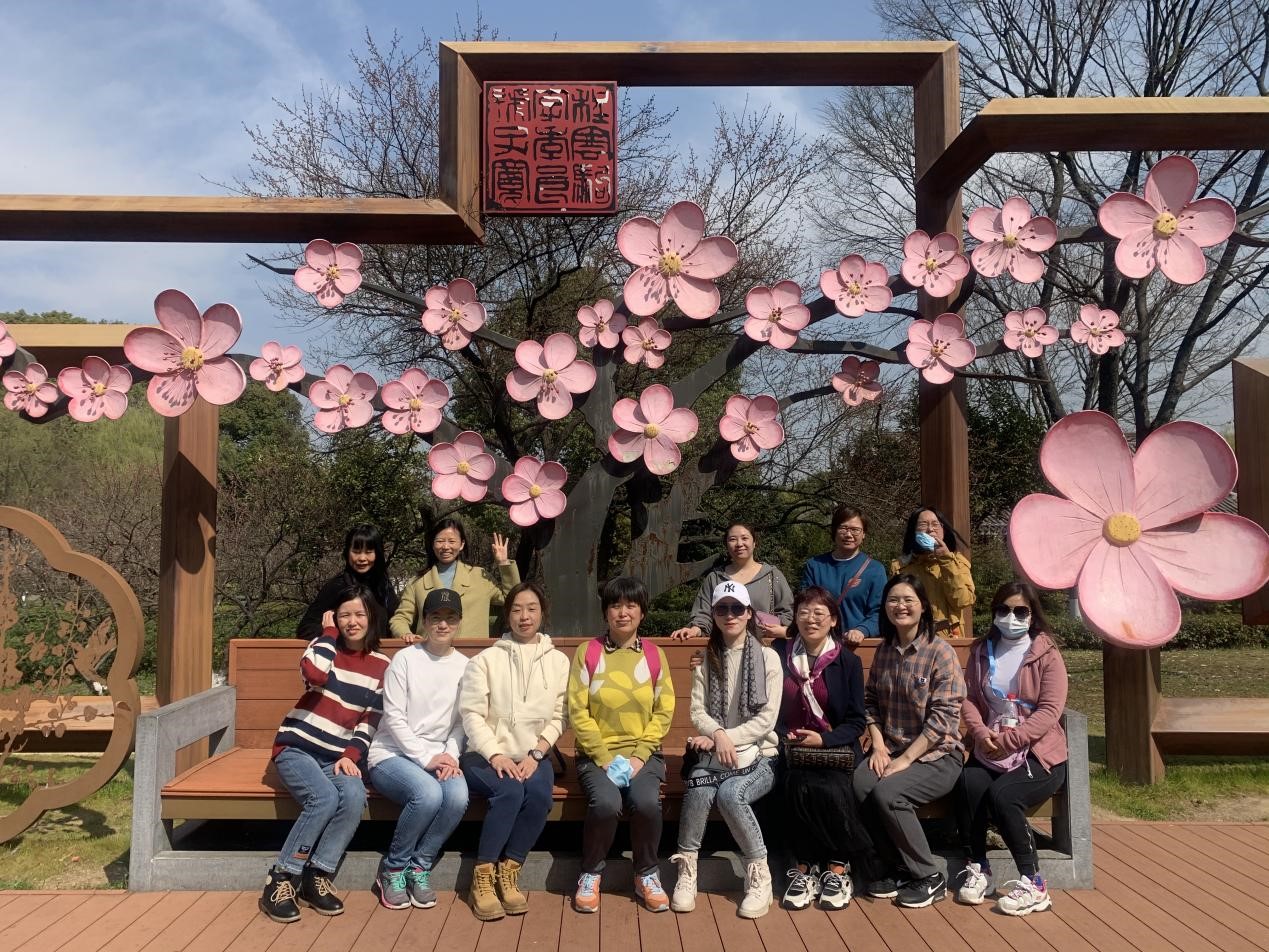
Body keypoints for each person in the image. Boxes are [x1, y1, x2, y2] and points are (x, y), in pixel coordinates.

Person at [260, 583, 390, 924]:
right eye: (344, 615)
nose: (352, 622)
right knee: (324, 798)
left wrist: (351, 754)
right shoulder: (321, 646)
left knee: (354, 795)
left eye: (360, 614)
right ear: (334, 618)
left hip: (336, 757)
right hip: (297, 747)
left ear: (372, 617)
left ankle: (316, 875)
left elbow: (370, 719)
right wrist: (328, 633)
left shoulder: (382, 665)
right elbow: (315, 675)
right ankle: (281, 877)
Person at [955, 581, 1068, 917]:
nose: (1011, 617)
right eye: (1003, 610)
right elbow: (969, 699)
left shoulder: (1046, 653)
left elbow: (1050, 710)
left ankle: (1034, 883)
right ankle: (979, 867)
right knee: (969, 784)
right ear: (994, 613)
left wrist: (1010, 741)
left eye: (1020, 611)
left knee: (1004, 796)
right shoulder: (981, 650)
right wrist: (980, 733)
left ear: (1032, 615)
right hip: (990, 745)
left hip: (1038, 753)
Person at [458, 582, 570, 921]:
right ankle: (483, 876)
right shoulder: (485, 660)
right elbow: (471, 714)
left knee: (538, 796)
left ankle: (509, 870)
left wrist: (537, 754)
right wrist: (495, 754)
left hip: (533, 755)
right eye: (517, 609)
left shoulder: (558, 661)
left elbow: (561, 714)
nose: (525, 616)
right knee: (509, 791)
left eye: (532, 608)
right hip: (484, 755)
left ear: (542, 613)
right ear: (507, 615)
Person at [670, 581, 782, 919]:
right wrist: (718, 735)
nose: (730, 615)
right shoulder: (707, 658)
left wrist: (724, 737)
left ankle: (759, 875)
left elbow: (766, 719)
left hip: (761, 757)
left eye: (737, 608)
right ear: (714, 615)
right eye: (722, 608)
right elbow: (697, 711)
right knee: (698, 786)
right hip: (716, 756)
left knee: (731, 794)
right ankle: (687, 869)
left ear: (749, 614)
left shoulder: (768, 658)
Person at [854, 574, 966, 908]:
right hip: (892, 749)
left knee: (889, 793)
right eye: (893, 600)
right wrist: (878, 745)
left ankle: (929, 875)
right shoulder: (885, 650)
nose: (900, 606)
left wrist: (904, 760)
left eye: (908, 600)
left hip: (937, 755)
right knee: (859, 784)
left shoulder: (940, 652)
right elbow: (870, 701)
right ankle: (897, 867)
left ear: (923, 607)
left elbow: (943, 719)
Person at [567, 577, 675, 914]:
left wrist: (639, 758)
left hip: (643, 754)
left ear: (642, 612)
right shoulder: (589, 652)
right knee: (606, 803)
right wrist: (603, 758)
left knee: (646, 803)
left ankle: (647, 873)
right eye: (615, 605)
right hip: (596, 755)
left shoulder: (654, 655)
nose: (623, 612)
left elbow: (664, 711)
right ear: (605, 612)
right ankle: (590, 872)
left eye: (631, 605)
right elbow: (577, 711)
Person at [776, 586, 879, 912]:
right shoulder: (778, 654)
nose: (811, 619)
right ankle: (803, 867)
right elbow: (766, 709)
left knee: (832, 788)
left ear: (833, 619)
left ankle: (837, 866)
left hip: (835, 749)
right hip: (790, 748)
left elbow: (856, 720)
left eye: (819, 613)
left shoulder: (847, 661)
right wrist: (785, 737)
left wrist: (823, 740)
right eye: (804, 612)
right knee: (795, 785)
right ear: (795, 617)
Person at [368, 589, 470, 911]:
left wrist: (451, 755)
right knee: (427, 794)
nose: (443, 624)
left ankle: (419, 866)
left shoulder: (466, 666)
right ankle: (393, 868)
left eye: (450, 618)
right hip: (391, 754)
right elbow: (394, 717)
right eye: (435, 617)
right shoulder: (405, 659)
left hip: (440, 755)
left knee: (457, 797)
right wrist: (426, 758)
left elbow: (461, 721)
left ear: (459, 622)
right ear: (424, 621)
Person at [391, 519, 521, 639]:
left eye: (452, 541)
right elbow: (400, 618)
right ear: (432, 544)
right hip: (430, 653)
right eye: (440, 541)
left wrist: (504, 563)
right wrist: (405, 634)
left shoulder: (480, 577)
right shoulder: (417, 582)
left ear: (462, 544)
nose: (445, 546)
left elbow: (513, 599)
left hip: (473, 654)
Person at [669, 521, 794, 640]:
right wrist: (695, 629)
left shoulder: (772, 575)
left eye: (745, 538)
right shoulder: (715, 578)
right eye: (733, 539)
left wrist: (776, 628)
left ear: (754, 542)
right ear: (726, 544)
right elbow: (703, 614)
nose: (739, 544)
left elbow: (788, 612)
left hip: (765, 647)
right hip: (723, 649)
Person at [800, 504, 887, 646]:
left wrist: (862, 630)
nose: (848, 535)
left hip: (857, 646)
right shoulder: (815, 565)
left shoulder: (875, 570)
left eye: (855, 530)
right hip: (820, 645)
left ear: (864, 534)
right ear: (834, 531)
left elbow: (880, 612)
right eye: (843, 528)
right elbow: (804, 605)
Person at [297, 524, 400, 641]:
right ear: (347, 553)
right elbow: (306, 629)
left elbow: (396, 621)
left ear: (377, 554)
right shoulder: (336, 586)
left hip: (379, 651)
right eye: (356, 551)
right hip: (344, 652)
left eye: (368, 552)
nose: (362, 558)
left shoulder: (384, 586)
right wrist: (341, 635)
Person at [889, 507, 975, 637]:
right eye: (923, 525)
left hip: (950, 638)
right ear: (913, 531)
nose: (930, 529)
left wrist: (946, 559)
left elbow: (963, 601)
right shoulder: (901, 567)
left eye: (935, 524)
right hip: (912, 637)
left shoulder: (957, 562)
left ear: (943, 530)